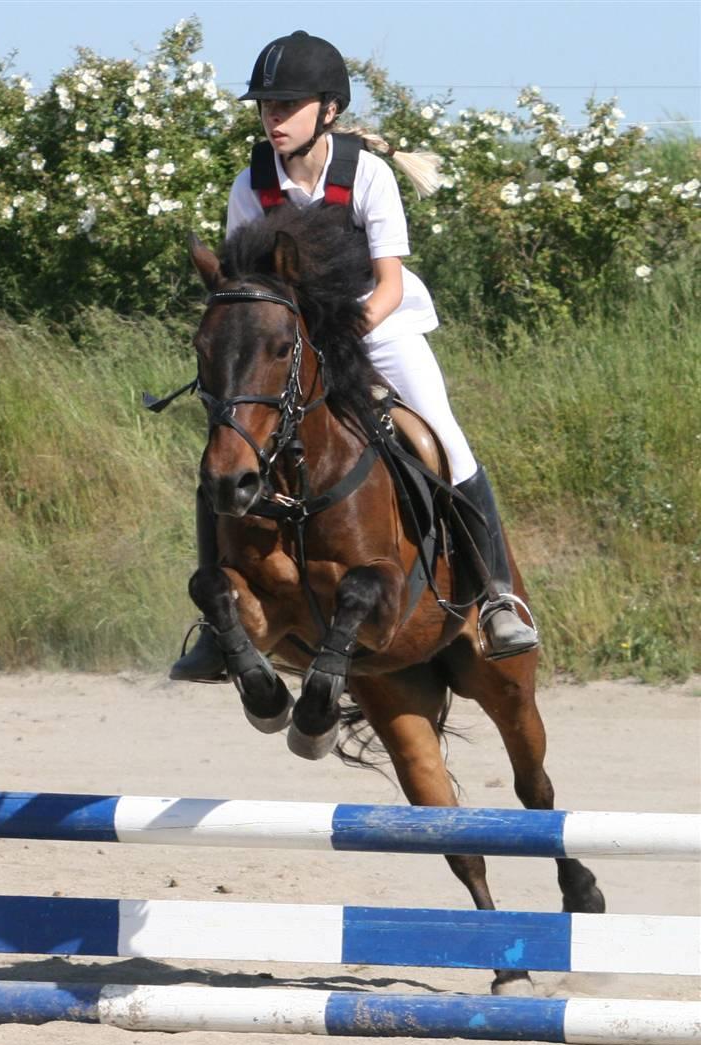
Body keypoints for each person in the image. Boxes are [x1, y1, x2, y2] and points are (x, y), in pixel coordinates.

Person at [171, 30, 537, 681]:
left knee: (443, 434)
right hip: (286, 342)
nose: (273, 118)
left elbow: (390, 282)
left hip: (378, 325)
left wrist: (342, 337)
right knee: (225, 450)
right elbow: (241, 288)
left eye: (287, 105)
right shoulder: (248, 185)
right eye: (266, 107)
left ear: (329, 110)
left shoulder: (365, 174)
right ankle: (212, 624)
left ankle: (497, 595)